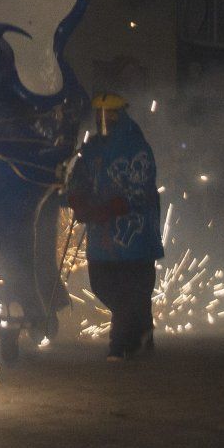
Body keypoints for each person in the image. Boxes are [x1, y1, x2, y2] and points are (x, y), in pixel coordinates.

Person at [66, 93, 163, 362]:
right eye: (100, 116)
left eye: (109, 116)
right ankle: (142, 332)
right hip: (102, 236)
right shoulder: (93, 147)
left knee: (133, 291)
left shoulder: (137, 147)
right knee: (102, 285)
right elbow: (79, 178)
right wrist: (76, 198)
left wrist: (116, 205)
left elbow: (141, 186)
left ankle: (120, 344)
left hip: (136, 237)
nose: (104, 121)